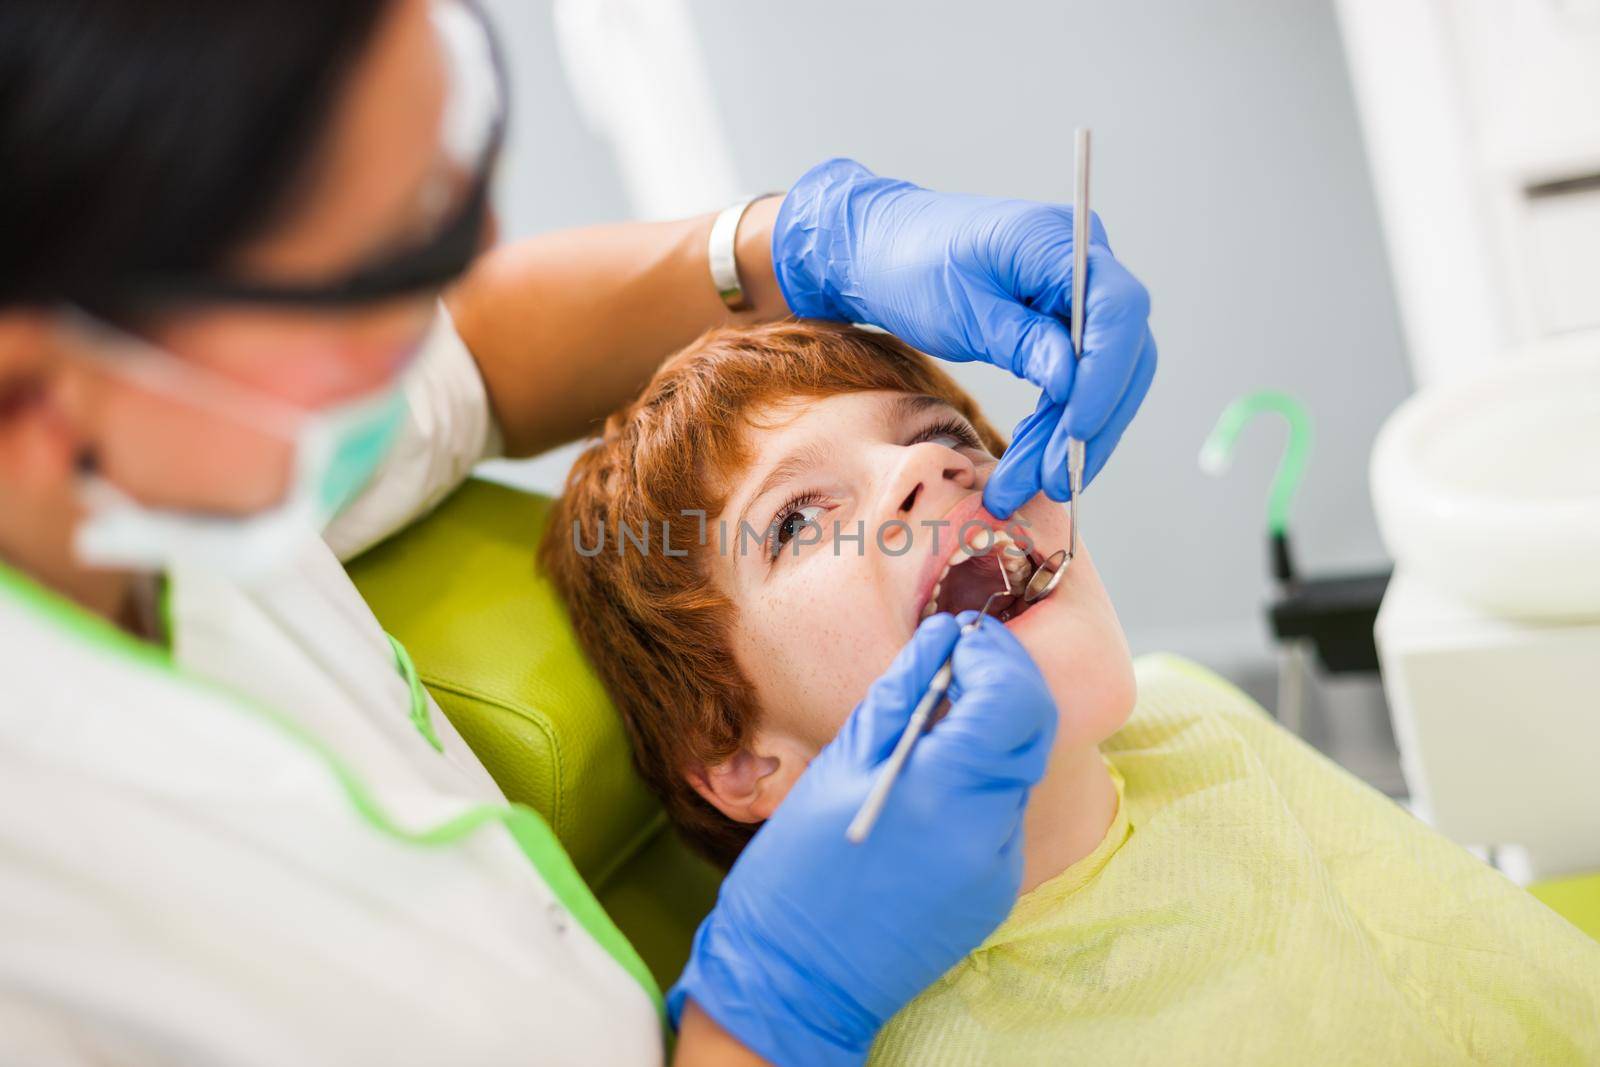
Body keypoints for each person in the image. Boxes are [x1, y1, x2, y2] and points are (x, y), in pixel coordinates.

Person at [0, 1, 1159, 1064]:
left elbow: (471, 350)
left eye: (446, 175)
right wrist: (769, 1015)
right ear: (42, 377)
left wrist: (797, 243)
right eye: (383, 262)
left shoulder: (179, 433)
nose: (926, 470)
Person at [545, 320, 1600, 1064]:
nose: (926, 468)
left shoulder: (1188, 705)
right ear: (740, 755)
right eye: (797, 519)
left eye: (944, 434)